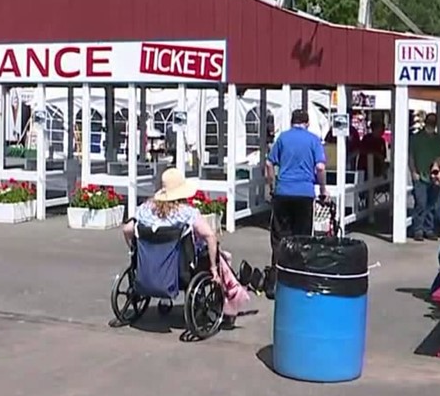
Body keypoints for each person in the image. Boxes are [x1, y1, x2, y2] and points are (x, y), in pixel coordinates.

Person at [121, 168, 250, 324]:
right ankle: (229, 296)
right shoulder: (187, 213)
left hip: (151, 265)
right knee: (219, 255)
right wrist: (213, 270)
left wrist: (135, 251)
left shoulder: (145, 210)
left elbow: (127, 229)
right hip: (181, 267)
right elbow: (210, 236)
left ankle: (165, 300)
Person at [265, 110, 328, 280]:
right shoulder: (313, 140)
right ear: (307, 123)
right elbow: (320, 168)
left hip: (283, 191)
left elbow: (269, 163)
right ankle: (299, 275)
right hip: (304, 193)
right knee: (303, 236)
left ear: (292, 122)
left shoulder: (283, 138)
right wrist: (322, 190)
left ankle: (277, 276)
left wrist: (272, 186)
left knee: (280, 237)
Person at [409, 113, 440, 241]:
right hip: (420, 175)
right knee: (421, 203)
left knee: (432, 204)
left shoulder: (438, 139)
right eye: (430, 121)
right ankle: (418, 229)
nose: (431, 123)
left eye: (433, 121)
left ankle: (428, 229)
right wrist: (413, 172)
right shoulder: (416, 138)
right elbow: (411, 156)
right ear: (425, 122)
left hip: (435, 177)